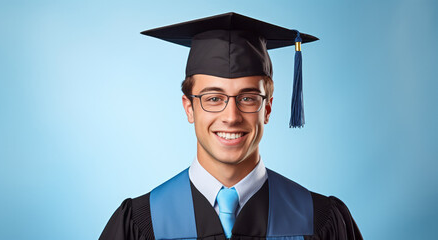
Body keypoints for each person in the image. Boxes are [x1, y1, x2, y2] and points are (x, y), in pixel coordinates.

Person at [99, 12, 362, 240]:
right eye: (213, 98)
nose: (231, 116)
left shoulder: (319, 221)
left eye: (248, 98)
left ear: (267, 109)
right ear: (189, 108)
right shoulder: (142, 224)